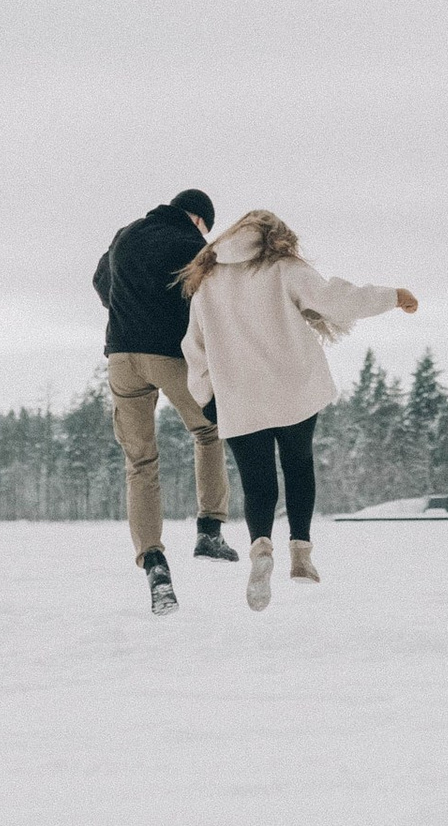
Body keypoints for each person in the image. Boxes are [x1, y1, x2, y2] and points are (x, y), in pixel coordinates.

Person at [178, 212, 417, 611]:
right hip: (294, 390)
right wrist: (393, 296)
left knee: (257, 484)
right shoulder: (285, 268)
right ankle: (301, 552)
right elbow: (337, 299)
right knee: (298, 465)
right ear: (273, 236)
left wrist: (206, 397)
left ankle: (260, 549)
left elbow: (194, 348)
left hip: (239, 397)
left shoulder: (208, 281)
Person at [94, 188, 237, 615]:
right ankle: (209, 528)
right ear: (198, 219)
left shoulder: (124, 234)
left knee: (140, 463)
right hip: (169, 355)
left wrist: (127, 311)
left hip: (121, 356)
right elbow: (213, 298)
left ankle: (154, 562)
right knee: (209, 431)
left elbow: (102, 281)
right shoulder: (191, 244)